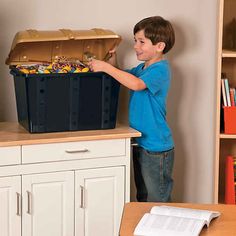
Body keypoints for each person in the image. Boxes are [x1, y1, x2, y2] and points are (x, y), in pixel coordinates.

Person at [88, 16, 175, 202]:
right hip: (141, 143)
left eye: (141, 42)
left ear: (159, 46)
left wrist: (104, 67)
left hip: (156, 147)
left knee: (157, 199)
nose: (135, 46)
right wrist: (112, 62)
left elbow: (136, 85)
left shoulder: (160, 70)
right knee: (143, 196)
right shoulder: (142, 68)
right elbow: (123, 76)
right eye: (135, 41)